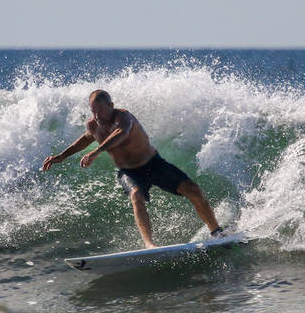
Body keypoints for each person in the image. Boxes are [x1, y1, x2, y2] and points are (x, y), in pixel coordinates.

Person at [42, 89, 223, 248]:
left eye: (101, 110)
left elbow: (122, 133)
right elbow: (83, 140)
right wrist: (60, 157)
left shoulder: (123, 116)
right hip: (128, 172)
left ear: (111, 105)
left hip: (153, 163)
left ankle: (217, 233)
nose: (97, 116)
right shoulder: (93, 125)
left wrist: (96, 152)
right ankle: (149, 244)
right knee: (136, 196)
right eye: (93, 111)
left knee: (193, 190)